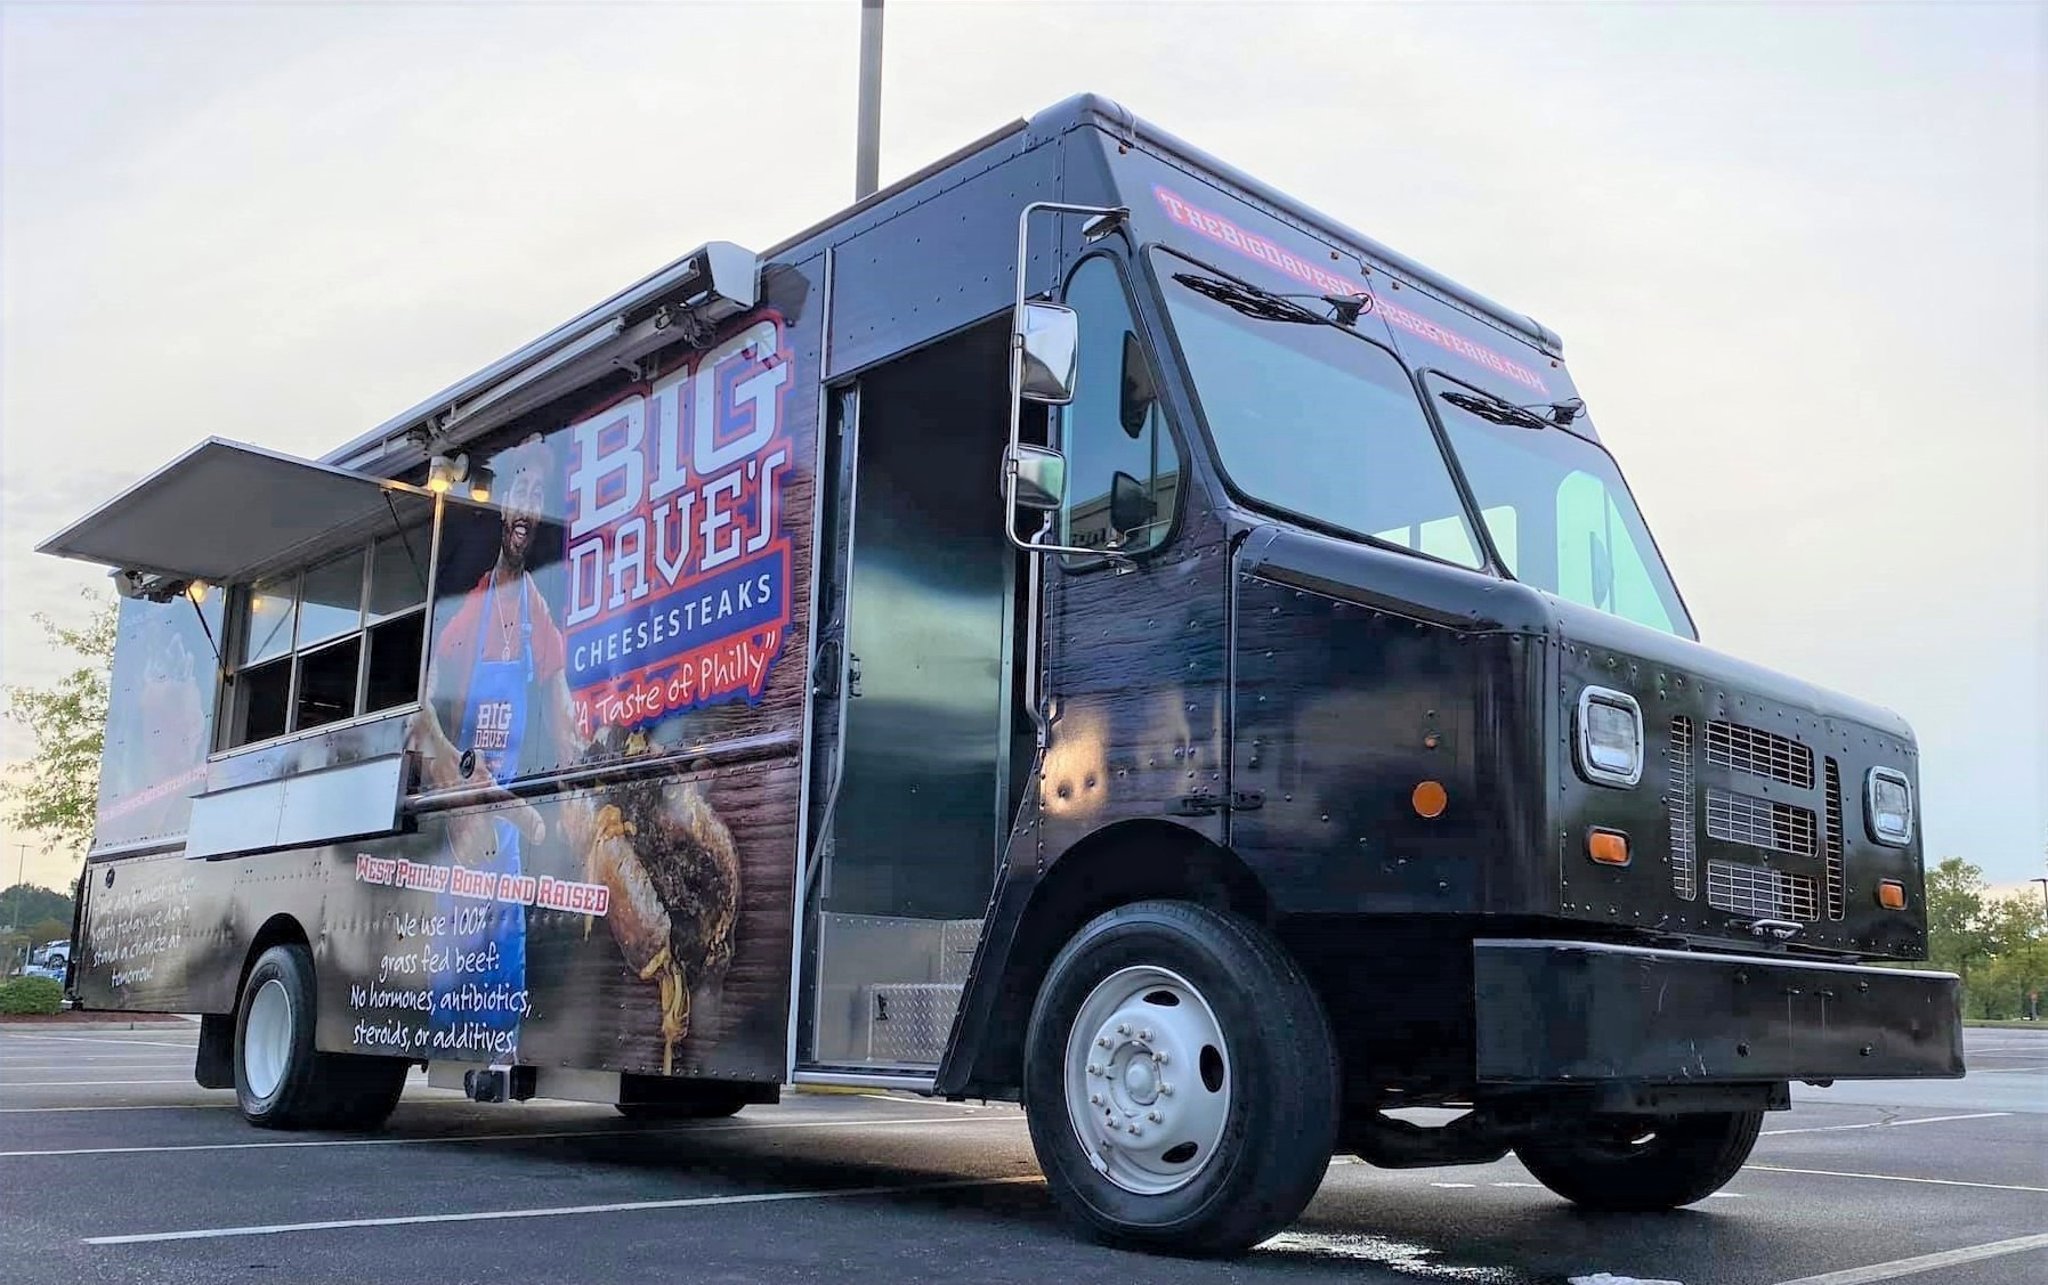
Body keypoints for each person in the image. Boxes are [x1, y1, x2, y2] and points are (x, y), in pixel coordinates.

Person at [407, 434, 588, 1058]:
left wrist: (583, 770)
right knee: (456, 946)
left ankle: (494, 1049)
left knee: (503, 956)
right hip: (464, 823)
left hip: (508, 832)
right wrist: (458, 787)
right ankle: (445, 1042)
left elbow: (564, 710)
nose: (527, 507)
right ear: (501, 506)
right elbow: (420, 710)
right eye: (519, 493)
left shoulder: (535, 610)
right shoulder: (472, 611)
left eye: (538, 496)